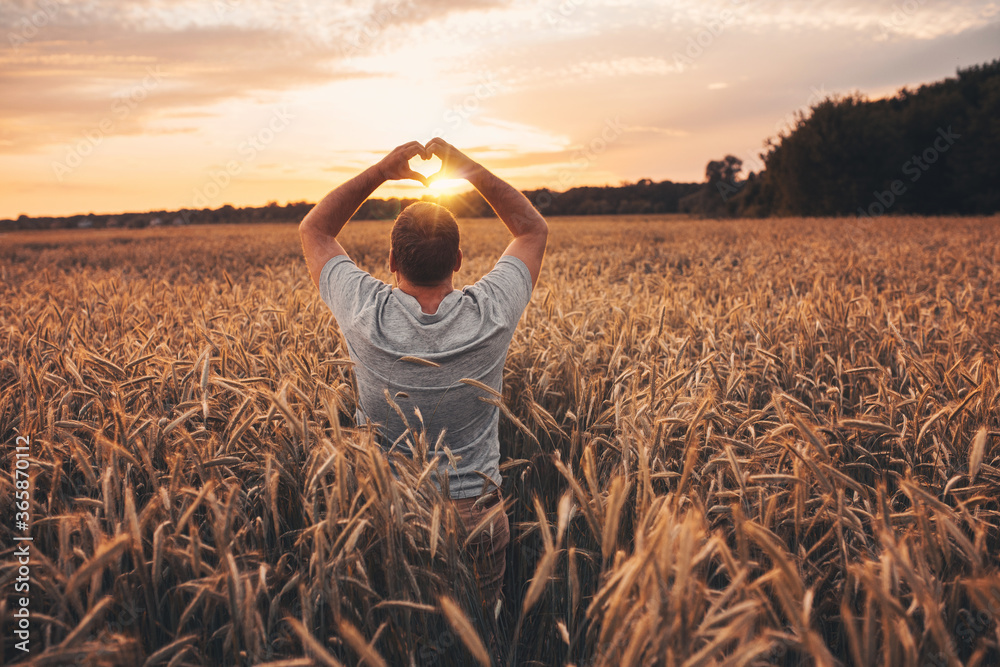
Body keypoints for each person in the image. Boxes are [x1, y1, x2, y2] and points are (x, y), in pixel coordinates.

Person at [298, 138, 548, 622]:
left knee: (401, 638)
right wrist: (468, 169)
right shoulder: (491, 311)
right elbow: (531, 229)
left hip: (392, 511)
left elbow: (315, 228)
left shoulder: (364, 310)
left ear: (392, 261)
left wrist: (382, 172)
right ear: (457, 261)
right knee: (476, 636)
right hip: (478, 513)